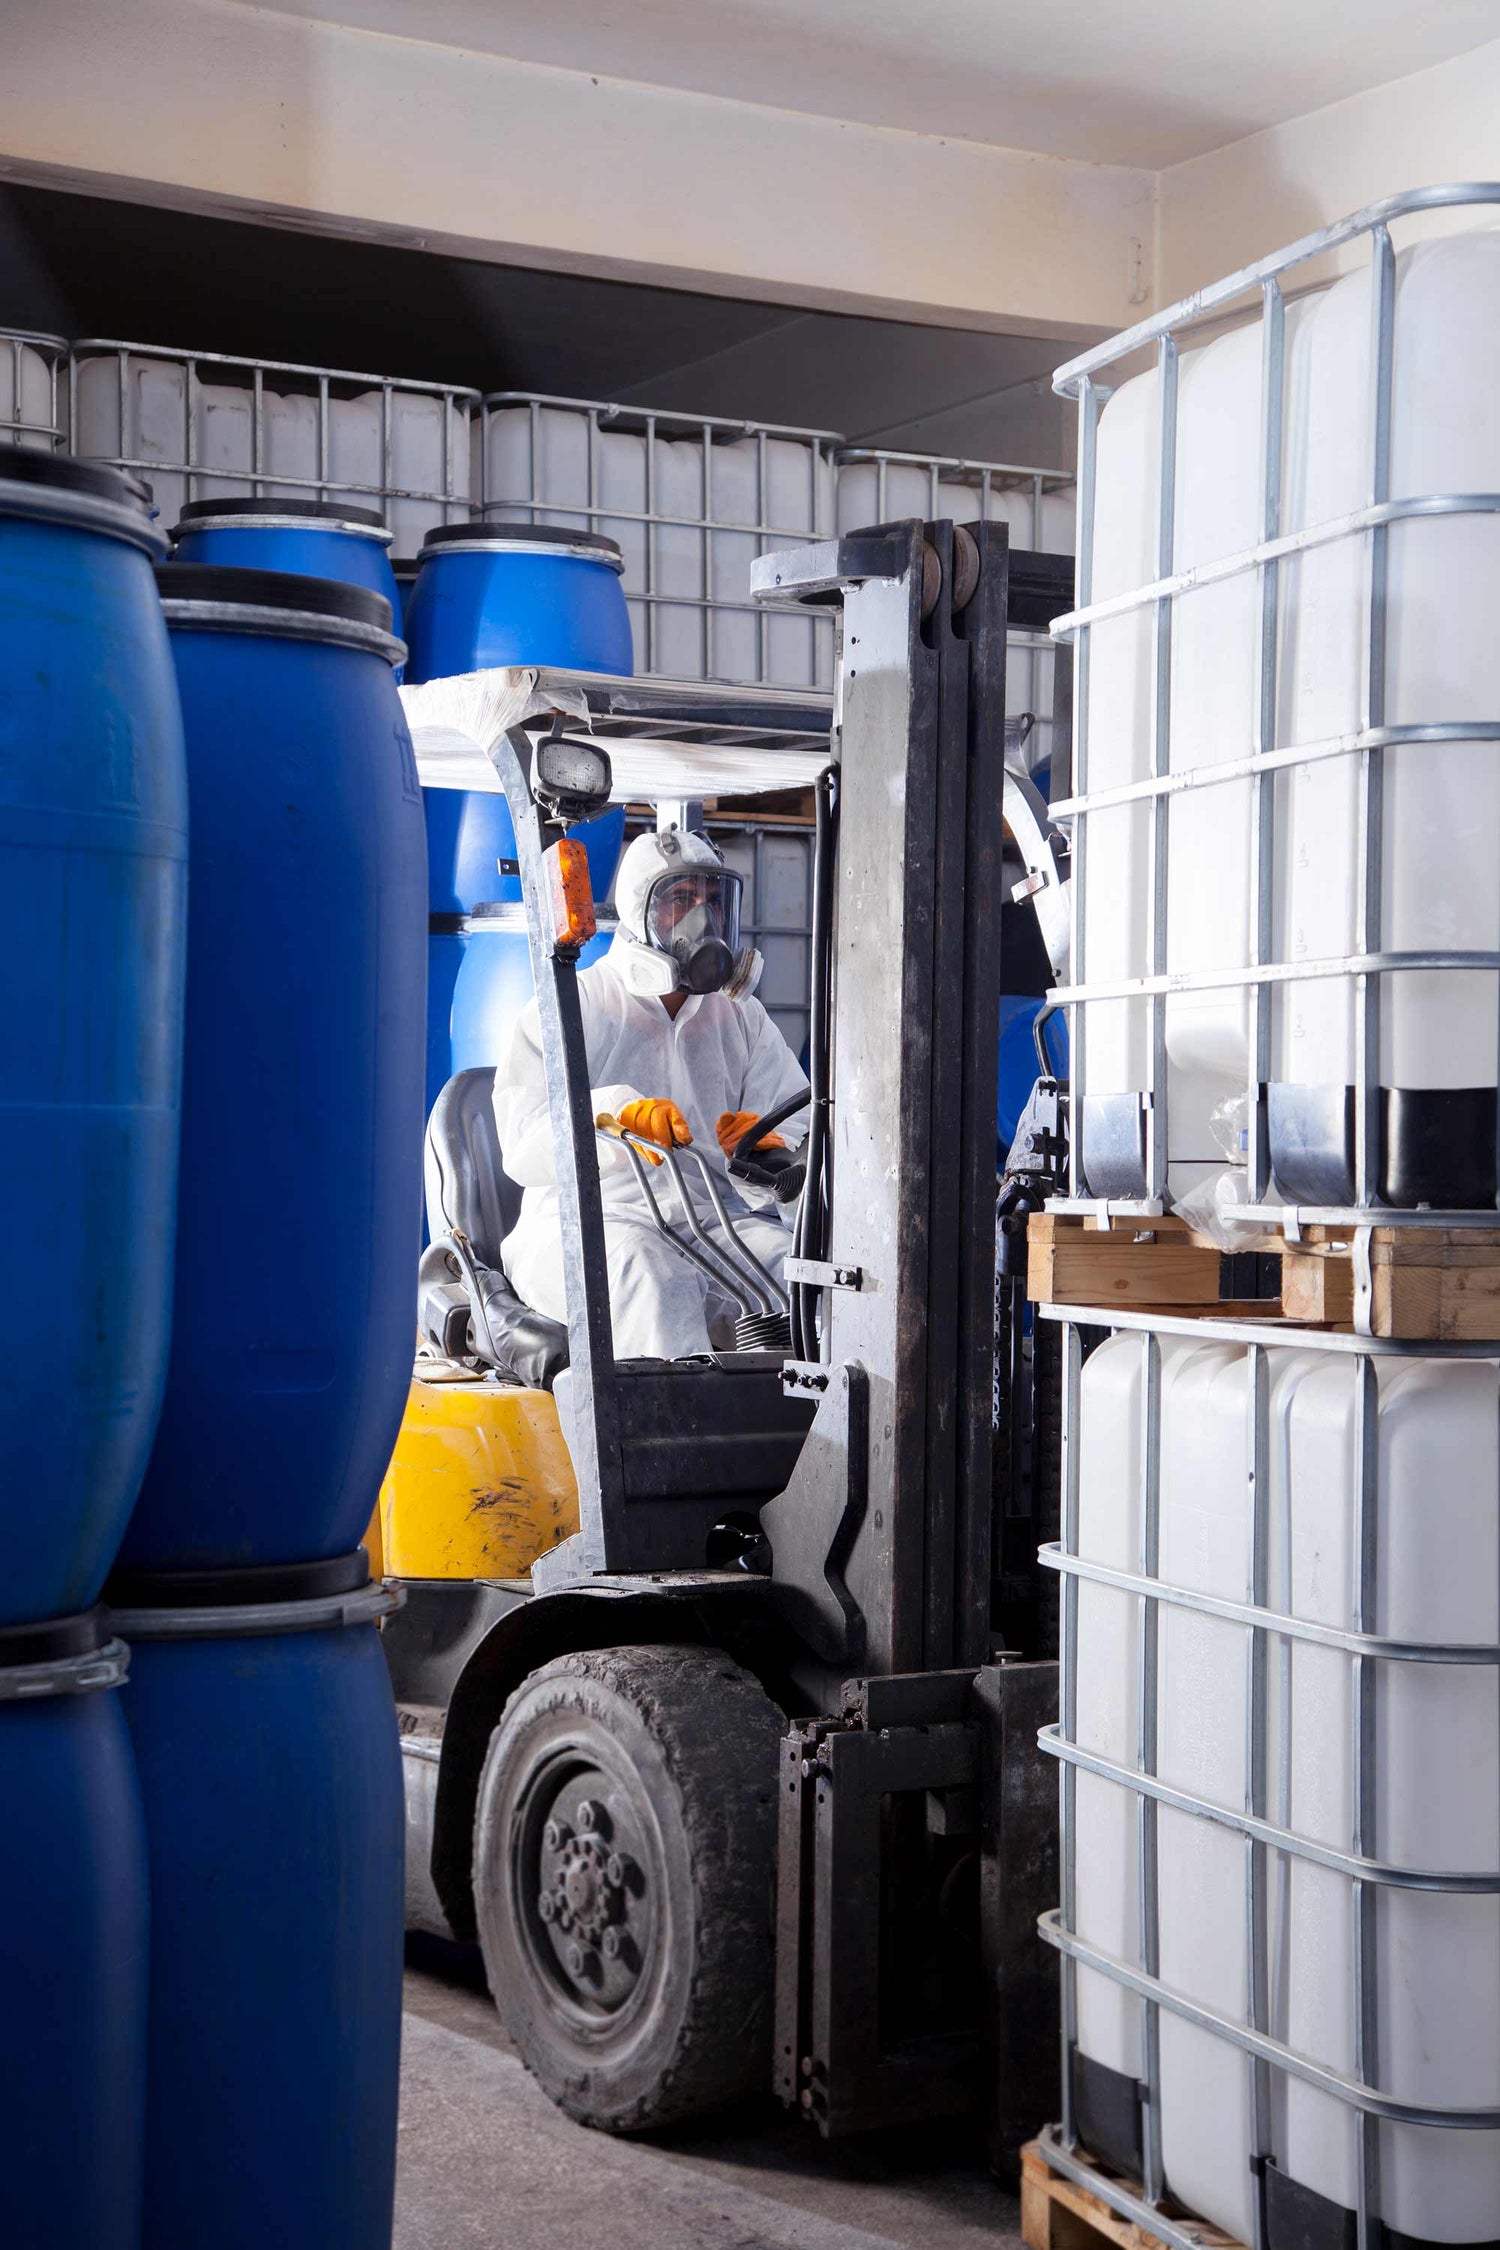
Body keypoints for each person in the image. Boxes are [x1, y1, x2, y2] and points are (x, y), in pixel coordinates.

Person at [494, 824, 808, 1358]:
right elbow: (523, 1147)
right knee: (656, 1281)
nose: (701, 920)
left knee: (797, 1278)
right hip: (587, 1224)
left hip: (710, 1221)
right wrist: (614, 1118)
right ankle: (679, 1442)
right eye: (680, 900)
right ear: (641, 910)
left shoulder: (739, 1015)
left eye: (713, 901)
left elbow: (793, 1128)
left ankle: (795, 1440)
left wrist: (770, 1152)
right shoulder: (578, 1003)